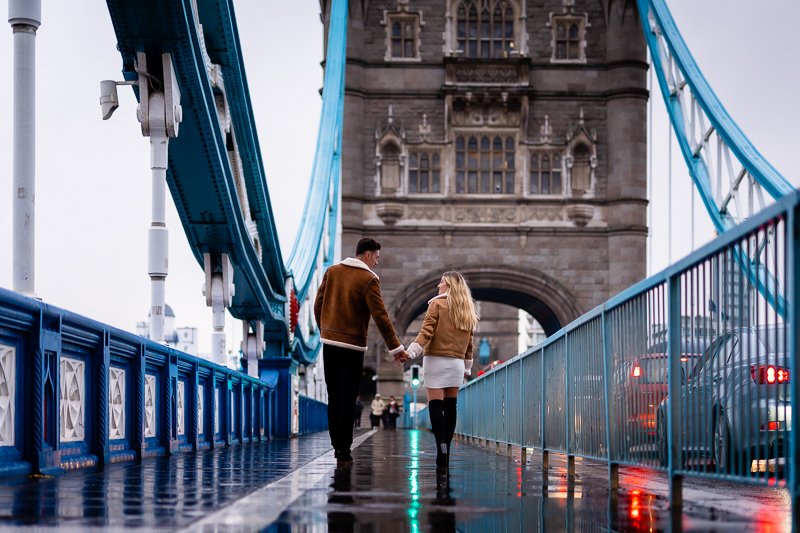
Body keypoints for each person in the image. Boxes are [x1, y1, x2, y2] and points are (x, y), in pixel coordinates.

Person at [314, 238, 407, 469]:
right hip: (353, 347)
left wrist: (325, 330)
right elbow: (381, 316)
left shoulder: (332, 271)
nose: (376, 262)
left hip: (330, 343)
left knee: (334, 396)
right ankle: (344, 450)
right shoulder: (369, 279)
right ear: (367, 255)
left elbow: (318, 305)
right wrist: (395, 347)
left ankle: (337, 443)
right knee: (348, 397)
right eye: (376, 257)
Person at [405, 271, 477, 470]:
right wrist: (467, 366)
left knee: (435, 405)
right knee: (451, 406)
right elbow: (470, 343)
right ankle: (448, 448)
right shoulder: (467, 309)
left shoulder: (437, 304)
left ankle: (441, 446)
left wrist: (411, 352)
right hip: (457, 363)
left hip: (435, 360)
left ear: (449, 286)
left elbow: (426, 332)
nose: (438, 285)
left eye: (442, 282)